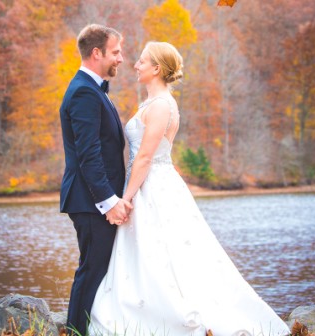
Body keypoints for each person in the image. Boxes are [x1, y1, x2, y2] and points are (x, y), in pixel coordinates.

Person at [88, 42, 291, 336]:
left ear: (156, 68)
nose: (135, 65)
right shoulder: (152, 103)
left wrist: (125, 200)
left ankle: (169, 315)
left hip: (152, 186)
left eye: (142, 61)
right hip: (148, 183)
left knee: (166, 251)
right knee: (151, 252)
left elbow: (145, 157)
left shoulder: (161, 105)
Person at [59, 24, 132, 336]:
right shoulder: (84, 93)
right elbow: (89, 155)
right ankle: (75, 331)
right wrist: (108, 203)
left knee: (98, 269)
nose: (121, 59)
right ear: (96, 53)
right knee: (92, 271)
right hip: (90, 201)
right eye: (116, 52)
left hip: (95, 199)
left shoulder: (93, 89)